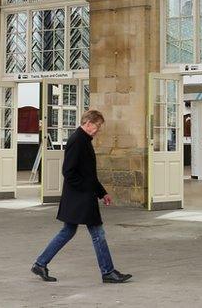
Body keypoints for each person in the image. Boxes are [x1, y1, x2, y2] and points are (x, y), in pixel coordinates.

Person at [31, 109, 131, 284]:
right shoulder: (77, 141)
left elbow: (88, 174)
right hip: (81, 198)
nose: (98, 130)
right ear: (88, 123)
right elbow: (68, 172)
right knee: (97, 233)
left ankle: (40, 263)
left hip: (80, 197)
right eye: (97, 126)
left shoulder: (83, 140)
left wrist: (102, 193)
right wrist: (88, 191)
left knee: (68, 231)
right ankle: (108, 272)